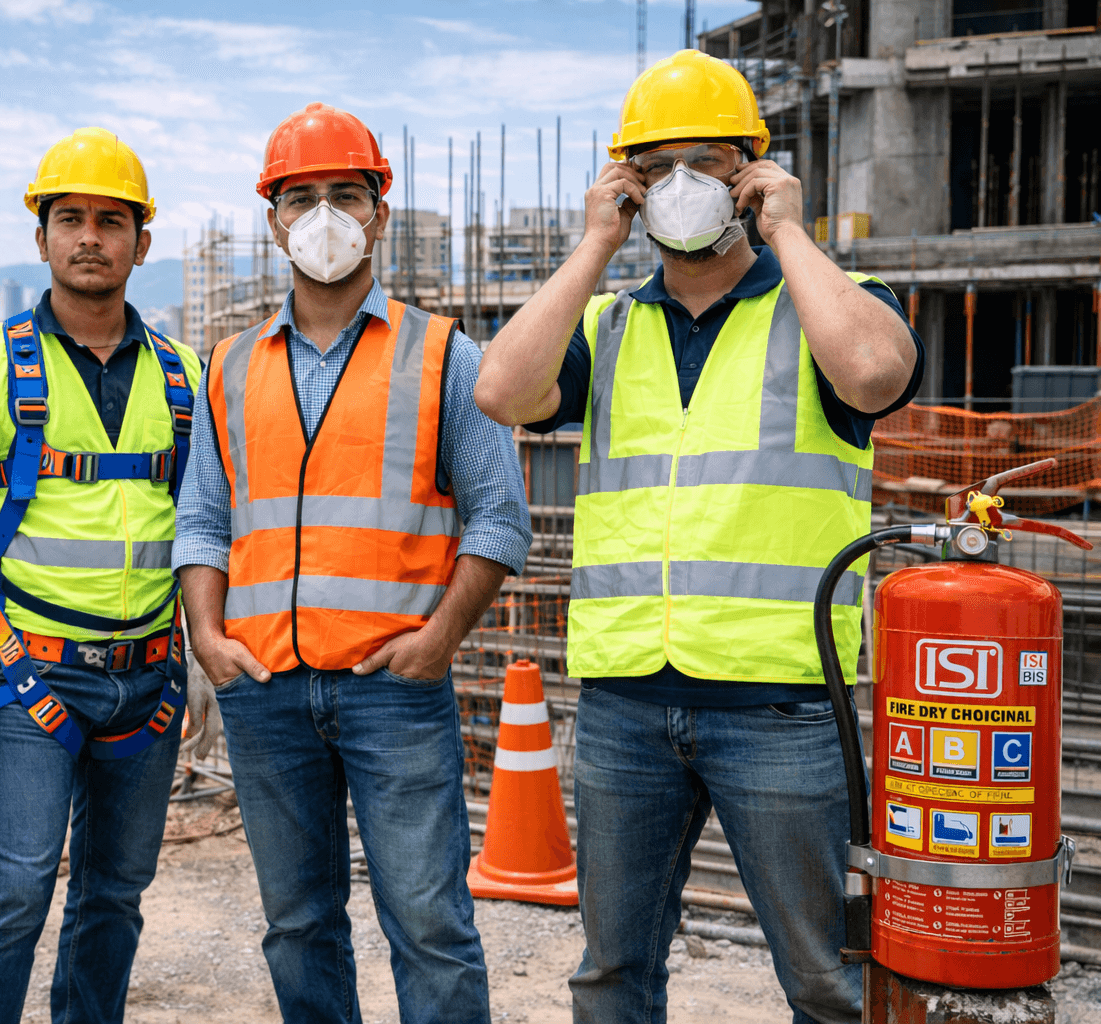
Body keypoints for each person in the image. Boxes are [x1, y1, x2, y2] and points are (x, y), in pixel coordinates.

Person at [473, 50, 923, 1024]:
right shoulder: (606, 325)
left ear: (752, 171)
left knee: (827, 980)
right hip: (629, 703)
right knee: (612, 973)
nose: (682, 185)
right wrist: (595, 243)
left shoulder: (827, 305)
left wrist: (790, 233)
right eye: (655, 165)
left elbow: (876, 377)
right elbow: (500, 391)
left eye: (706, 163)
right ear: (627, 183)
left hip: (781, 708)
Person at [173, 102, 532, 1024]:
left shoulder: (445, 354)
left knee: (429, 921)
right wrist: (207, 637)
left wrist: (439, 639)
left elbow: (499, 517)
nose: (322, 215)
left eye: (345, 193)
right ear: (273, 221)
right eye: (301, 197)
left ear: (378, 210)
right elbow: (205, 520)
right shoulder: (227, 366)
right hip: (265, 690)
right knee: (297, 925)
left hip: (393, 687)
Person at [0, 127, 220, 1024]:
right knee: (13, 891)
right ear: (41, 236)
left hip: (147, 682)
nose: (91, 237)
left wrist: (200, 646)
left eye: (111, 221)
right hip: (26, 673)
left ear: (141, 244)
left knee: (116, 896)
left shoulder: (185, 378)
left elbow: (200, 525)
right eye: (70, 218)